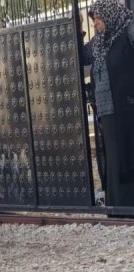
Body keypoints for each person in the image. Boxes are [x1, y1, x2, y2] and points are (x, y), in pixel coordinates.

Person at [88, 0, 134, 208]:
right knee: (113, 157)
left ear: (110, 16)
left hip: (125, 108)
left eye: (99, 18)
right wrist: (74, 28)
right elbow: (79, 56)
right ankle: (117, 205)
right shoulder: (99, 43)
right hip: (106, 112)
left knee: (127, 154)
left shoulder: (126, 35)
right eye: (94, 19)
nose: (96, 23)